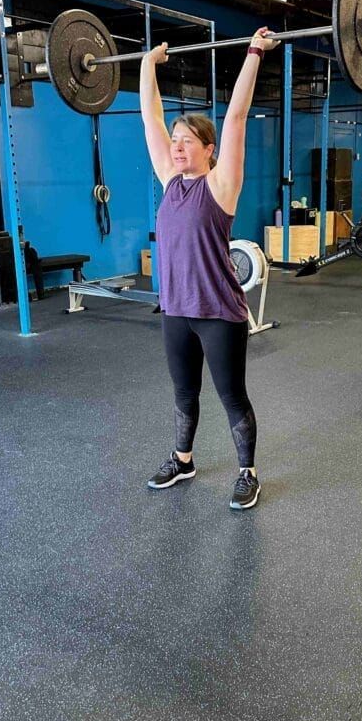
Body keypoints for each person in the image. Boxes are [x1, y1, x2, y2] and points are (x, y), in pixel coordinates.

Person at [140, 27, 279, 510]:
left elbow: (237, 115)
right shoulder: (169, 181)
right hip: (176, 310)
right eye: (175, 140)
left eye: (188, 141)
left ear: (209, 149)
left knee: (232, 397)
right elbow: (149, 116)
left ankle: (247, 472)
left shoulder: (220, 186)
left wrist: (254, 52)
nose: (177, 146)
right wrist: (146, 64)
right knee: (184, 392)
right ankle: (183, 459)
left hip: (219, 312)